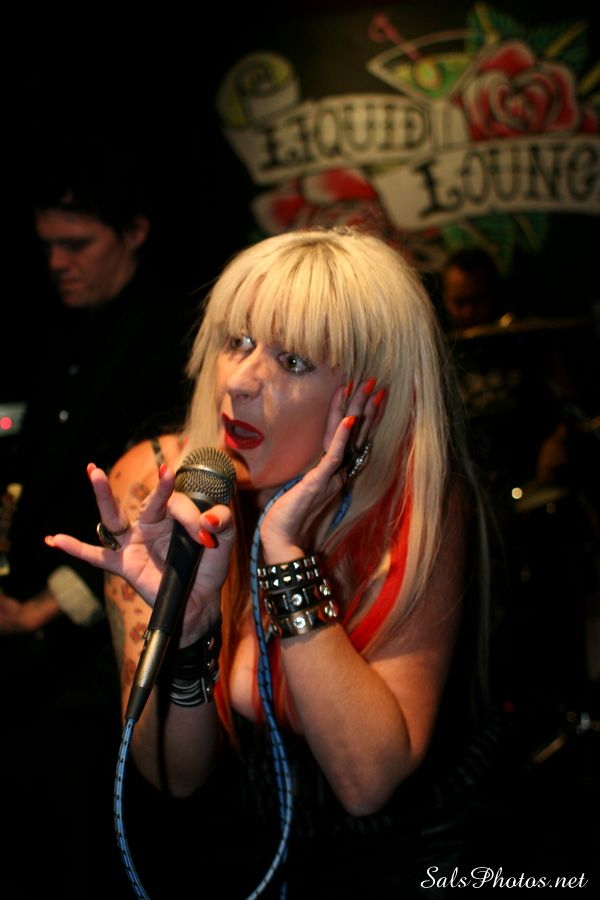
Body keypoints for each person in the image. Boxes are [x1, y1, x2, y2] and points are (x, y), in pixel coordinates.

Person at [48, 228, 499, 898]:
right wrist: (190, 634)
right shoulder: (159, 483)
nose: (239, 381)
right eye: (237, 342)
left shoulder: (416, 502)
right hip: (240, 855)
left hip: (407, 860)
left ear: (366, 394)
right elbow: (173, 775)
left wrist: (283, 550)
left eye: (292, 360)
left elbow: (367, 781)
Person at [0, 144, 196, 899]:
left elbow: (158, 506)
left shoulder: (169, 338)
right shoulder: (56, 330)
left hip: (101, 649)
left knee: (91, 848)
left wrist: (45, 607)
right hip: (36, 650)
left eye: (76, 244)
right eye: (47, 245)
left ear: (135, 232)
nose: (58, 263)